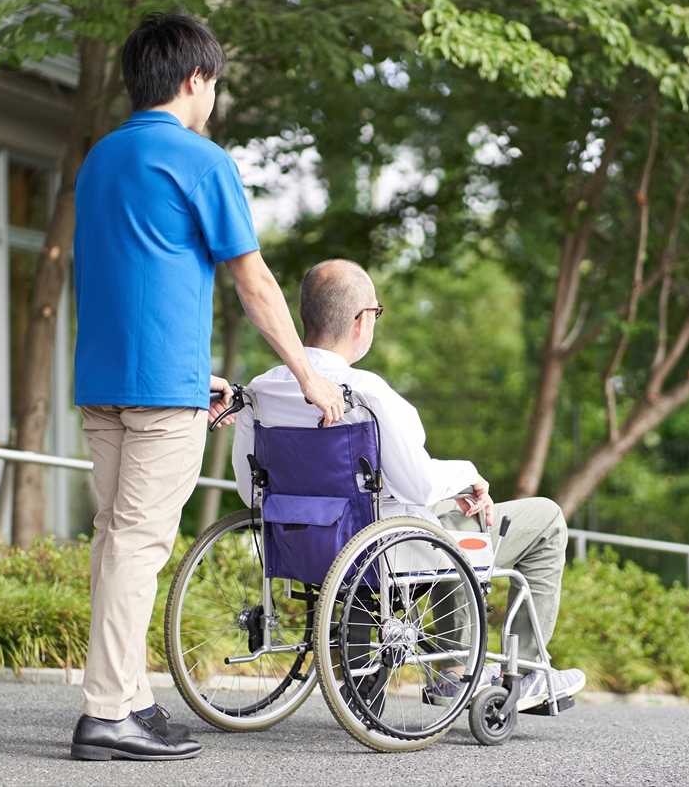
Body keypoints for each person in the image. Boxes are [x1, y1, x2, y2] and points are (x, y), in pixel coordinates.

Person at [69, 12, 345, 762]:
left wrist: (196, 376)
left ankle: (128, 696)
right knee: (138, 542)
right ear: (197, 79)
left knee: (114, 541)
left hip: (104, 381)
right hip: (158, 392)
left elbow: (122, 276)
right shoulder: (200, 160)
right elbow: (253, 281)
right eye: (214, 83)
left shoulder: (99, 159)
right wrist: (307, 372)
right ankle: (104, 714)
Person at [232, 259, 586, 711]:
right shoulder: (367, 393)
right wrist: (469, 474)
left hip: (304, 546)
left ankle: (452, 671)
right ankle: (527, 669)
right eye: (376, 313)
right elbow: (418, 486)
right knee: (544, 518)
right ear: (362, 321)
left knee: (439, 515)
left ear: (304, 315)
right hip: (385, 551)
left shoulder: (262, 390)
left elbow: (252, 490)